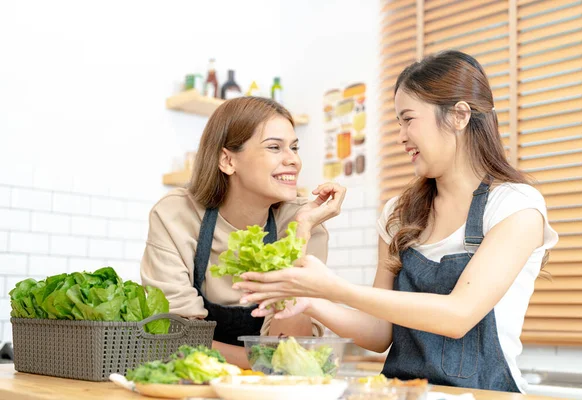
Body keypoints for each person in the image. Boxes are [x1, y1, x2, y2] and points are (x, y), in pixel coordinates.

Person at [233, 51, 559, 392]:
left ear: (460, 115)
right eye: (398, 122)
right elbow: (378, 333)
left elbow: (458, 315)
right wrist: (313, 301)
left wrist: (332, 288)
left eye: (408, 119)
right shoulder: (399, 214)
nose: (401, 135)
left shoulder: (514, 206)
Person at [140, 96, 345, 368]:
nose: (293, 160)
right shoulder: (176, 216)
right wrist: (265, 361)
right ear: (227, 160)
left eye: (295, 148)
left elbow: (295, 348)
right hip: (193, 379)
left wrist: (301, 233)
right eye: (275, 147)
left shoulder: (302, 222)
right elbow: (173, 335)